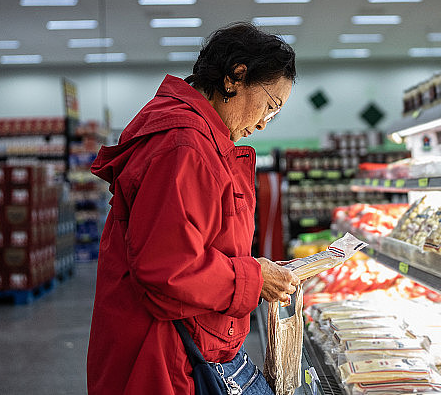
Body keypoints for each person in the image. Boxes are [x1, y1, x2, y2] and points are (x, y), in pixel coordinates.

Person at [86, 21, 301, 394]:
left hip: (180, 347)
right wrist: (254, 278)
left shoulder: (200, 141)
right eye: (270, 106)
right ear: (235, 77)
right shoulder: (184, 147)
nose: (264, 124)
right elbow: (169, 267)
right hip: (165, 358)